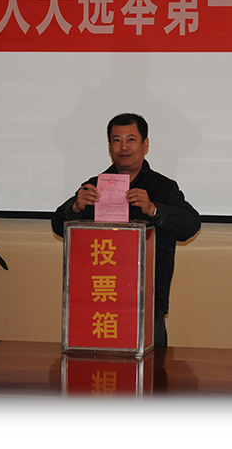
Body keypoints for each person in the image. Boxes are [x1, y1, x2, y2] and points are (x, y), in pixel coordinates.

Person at [51, 113, 201, 347]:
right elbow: (58, 225)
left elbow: (191, 225)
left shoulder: (163, 188)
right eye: (117, 140)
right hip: (99, 298)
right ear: (109, 147)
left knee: (152, 367)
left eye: (131, 140)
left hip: (147, 301)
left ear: (145, 144)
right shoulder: (94, 186)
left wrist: (154, 209)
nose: (124, 147)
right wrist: (75, 207)